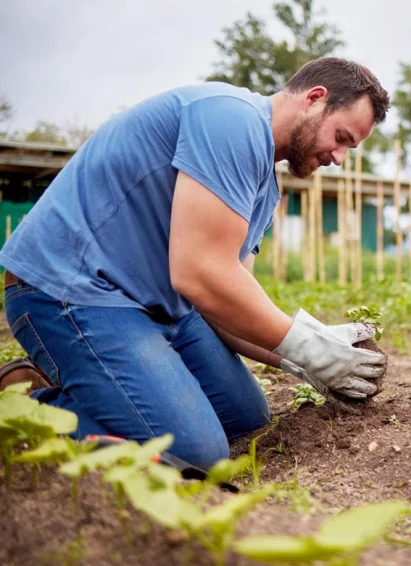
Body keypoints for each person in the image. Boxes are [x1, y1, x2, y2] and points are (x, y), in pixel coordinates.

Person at [0, 57, 389, 468]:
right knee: (193, 453)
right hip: (73, 292)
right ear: (314, 99)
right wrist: (308, 348)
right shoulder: (230, 121)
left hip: (154, 305)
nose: (340, 158)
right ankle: (24, 410)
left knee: (244, 417)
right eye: (342, 137)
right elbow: (200, 273)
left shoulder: (264, 186)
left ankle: (94, 391)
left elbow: (226, 303)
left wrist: (309, 352)